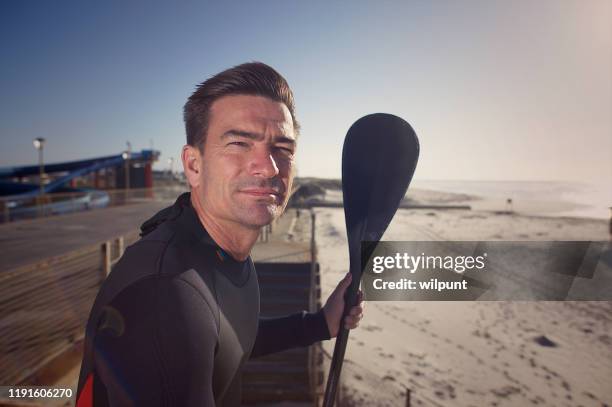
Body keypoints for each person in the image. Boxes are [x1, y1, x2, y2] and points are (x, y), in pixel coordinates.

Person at [75, 62, 364, 407]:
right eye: (240, 143)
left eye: (283, 149)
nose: (269, 167)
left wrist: (318, 325)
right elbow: (191, 330)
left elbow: (228, 334)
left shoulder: (214, 252)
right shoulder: (164, 297)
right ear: (194, 166)